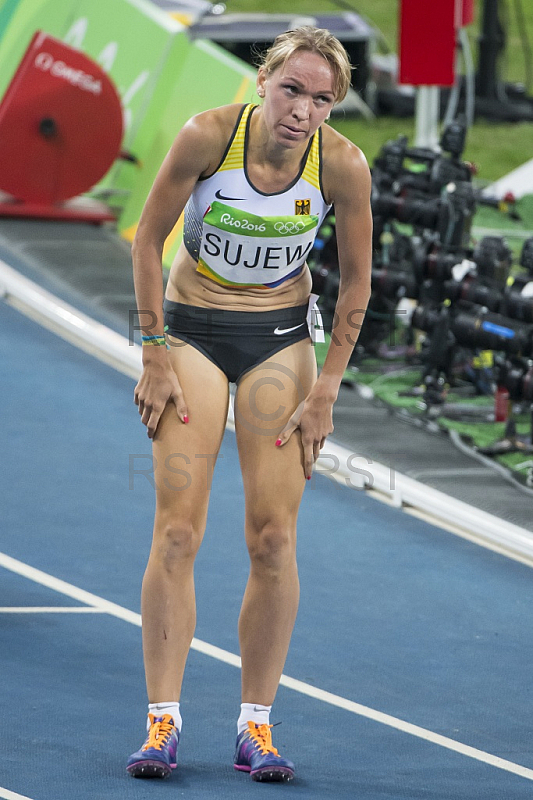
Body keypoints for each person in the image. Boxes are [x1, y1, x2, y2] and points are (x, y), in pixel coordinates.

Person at [126, 25, 372, 783]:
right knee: (178, 531)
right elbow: (146, 240)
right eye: (291, 90)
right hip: (192, 330)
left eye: (321, 100)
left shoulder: (340, 166)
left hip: (278, 340)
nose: (302, 111)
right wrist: (154, 351)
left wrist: (327, 388)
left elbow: (357, 282)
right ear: (264, 80)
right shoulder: (208, 137)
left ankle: (255, 726)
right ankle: (162, 721)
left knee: (272, 539)